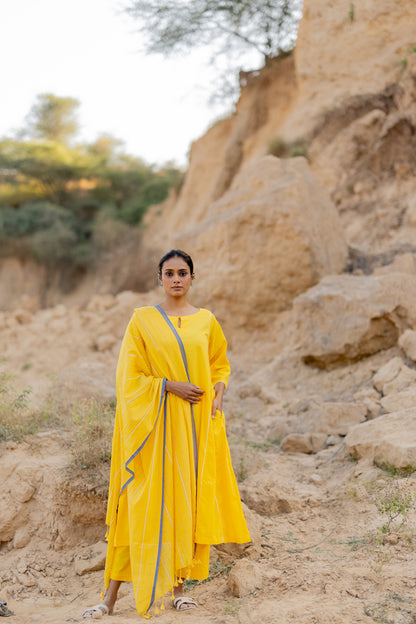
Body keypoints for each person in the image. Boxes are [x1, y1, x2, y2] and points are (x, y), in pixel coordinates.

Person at [82, 249, 250, 618]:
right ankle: (109, 599)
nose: (176, 278)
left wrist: (219, 390)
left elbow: (219, 362)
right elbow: (128, 378)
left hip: (193, 431)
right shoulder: (142, 320)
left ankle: (177, 590)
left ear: (193, 278)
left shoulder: (206, 320)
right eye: (169, 273)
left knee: (183, 504)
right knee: (138, 505)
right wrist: (169, 386)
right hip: (152, 429)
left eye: (183, 272)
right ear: (159, 278)